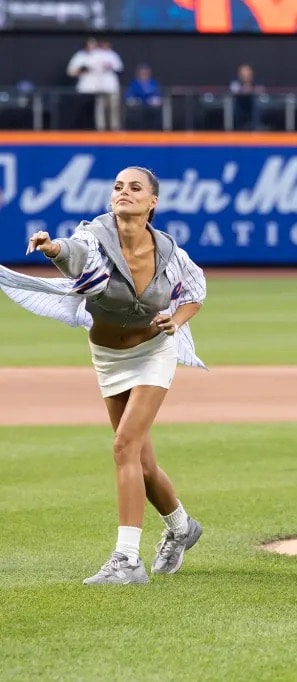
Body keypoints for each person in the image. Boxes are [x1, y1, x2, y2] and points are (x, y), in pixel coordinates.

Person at [0, 167, 207, 585]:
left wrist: (176, 320)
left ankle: (127, 561)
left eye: (134, 187)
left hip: (153, 352)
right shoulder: (95, 236)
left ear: (153, 202)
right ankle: (183, 527)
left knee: (123, 446)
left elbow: (195, 292)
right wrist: (52, 247)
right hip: (108, 357)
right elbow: (75, 253)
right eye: (117, 187)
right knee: (141, 461)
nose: (123, 193)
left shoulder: (169, 251)